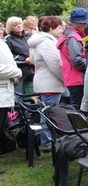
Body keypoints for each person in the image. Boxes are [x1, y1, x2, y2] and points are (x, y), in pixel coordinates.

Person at [27, 16, 65, 151]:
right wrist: (65, 79)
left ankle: (46, 140)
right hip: (50, 84)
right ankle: (47, 141)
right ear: (50, 28)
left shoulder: (40, 41)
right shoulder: (47, 43)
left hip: (45, 82)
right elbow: (55, 65)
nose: (61, 30)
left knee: (47, 112)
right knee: (50, 114)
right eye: (58, 28)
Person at [57, 8, 88, 107]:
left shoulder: (70, 35)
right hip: (77, 79)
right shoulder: (73, 37)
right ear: (76, 23)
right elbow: (77, 60)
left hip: (73, 78)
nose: (86, 25)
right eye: (84, 22)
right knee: (78, 109)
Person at [0, 38, 22, 158]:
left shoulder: (3, 43)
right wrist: (16, 72)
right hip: (2, 90)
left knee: (2, 125)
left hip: (5, 91)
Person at [5, 16, 34, 94]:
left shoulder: (29, 36)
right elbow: (8, 56)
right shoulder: (8, 39)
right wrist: (24, 59)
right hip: (19, 72)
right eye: (15, 25)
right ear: (10, 27)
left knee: (32, 95)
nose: (18, 26)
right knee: (19, 96)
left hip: (32, 71)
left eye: (19, 23)